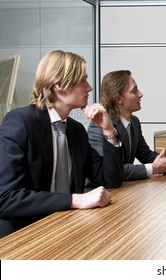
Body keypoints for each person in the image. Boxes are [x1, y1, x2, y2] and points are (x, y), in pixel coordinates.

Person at [0, 50, 124, 238]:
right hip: (24, 236)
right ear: (59, 85)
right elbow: (6, 199)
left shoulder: (76, 131)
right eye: (83, 80)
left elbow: (111, 180)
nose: (89, 88)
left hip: (65, 229)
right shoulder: (20, 123)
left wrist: (108, 130)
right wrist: (75, 200)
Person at [87, 70, 166, 182]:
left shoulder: (134, 122)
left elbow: (144, 154)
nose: (140, 94)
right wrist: (153, 168)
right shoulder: (99, 126)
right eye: (134, 91)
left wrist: (165, 161)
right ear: (118, 99)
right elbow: (111, 170)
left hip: (123, 189)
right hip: (100, 191)